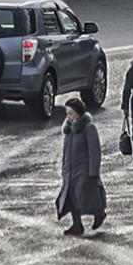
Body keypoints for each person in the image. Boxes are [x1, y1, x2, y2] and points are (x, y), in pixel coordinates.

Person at [55, 98, 105, 236]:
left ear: (78, 113)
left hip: (83, 171)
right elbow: (66, 152)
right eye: (67, 113)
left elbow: (94, 151)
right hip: (70, 171)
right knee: (71, 198)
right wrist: (64, 169)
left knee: (85, 196)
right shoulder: (70, 130)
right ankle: (77, 225)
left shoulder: (88, 128)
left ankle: (99, 214)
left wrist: (93, 172)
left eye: (70, 113)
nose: (68, 117)